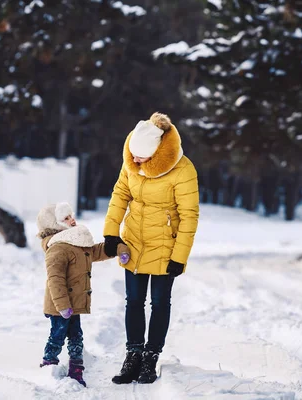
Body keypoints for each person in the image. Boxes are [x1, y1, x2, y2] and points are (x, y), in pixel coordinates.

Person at [103, 112, 199, 384]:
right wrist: (111, 233)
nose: (134, 161)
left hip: (165, 247)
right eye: (132, 154)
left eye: (141, 156)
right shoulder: (131, 163)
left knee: (159, 303)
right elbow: (120, 195)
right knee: (133, 301)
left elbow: (189, 215)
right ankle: (133, 355)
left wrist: (179, 257)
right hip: (133, 242)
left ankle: (151, 357)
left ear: (157, 152)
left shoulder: (183, 170)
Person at [37, 202, 129, 387]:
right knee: (57, 334)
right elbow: (55, 280)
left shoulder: (76, 244)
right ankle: (49, 365)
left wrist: (120, 249)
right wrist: (62, 306)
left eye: (71, 216)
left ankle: (76, 370)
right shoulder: (57, 249)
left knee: (76, 335)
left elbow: (97, 250)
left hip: (74, 303)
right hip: (59, 306)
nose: (72, 220)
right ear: (55, 225)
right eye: (66, 218)